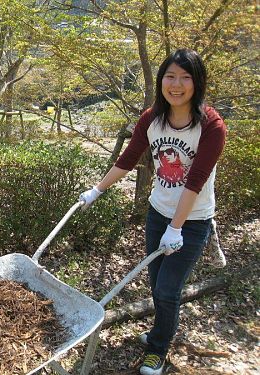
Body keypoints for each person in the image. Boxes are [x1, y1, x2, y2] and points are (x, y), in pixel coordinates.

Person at [79, 49, 226, 375]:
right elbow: (127, 160)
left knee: (167, 289)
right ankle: (161, 330)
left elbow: (196, 182)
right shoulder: (151, 119)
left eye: (185, 77)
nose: (176, 84)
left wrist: (177, 228)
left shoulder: (211, 126)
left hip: (193, 220)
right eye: (170, 76)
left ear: (197, 82)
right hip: (157, 212)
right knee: (157, 282)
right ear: (161, 81)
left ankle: (157, 350)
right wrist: (96, 191)